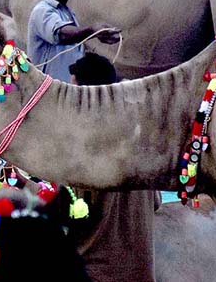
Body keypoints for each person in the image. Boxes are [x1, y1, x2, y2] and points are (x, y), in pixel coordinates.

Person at [67, 52, 159, 282]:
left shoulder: (79, 147)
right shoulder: (138, 140)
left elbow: (68, 213)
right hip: (141, 273)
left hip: (96, 274)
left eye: (73, 90)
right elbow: (155, 202)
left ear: (87, 95)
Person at [27, 0, 120, 81]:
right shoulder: (42, 11)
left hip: (66, 95)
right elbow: (62, 34)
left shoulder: (68, 13)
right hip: (48, 97)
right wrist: (93, 31)